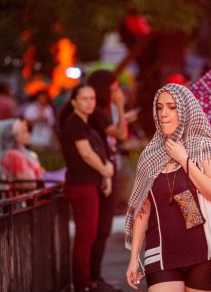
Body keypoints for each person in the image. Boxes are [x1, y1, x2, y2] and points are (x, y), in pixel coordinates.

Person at [125, 83, 211, 291]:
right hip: (161, 253)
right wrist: (134, 257)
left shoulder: (204, 147)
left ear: (185, 110)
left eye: (172, 107)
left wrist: (184, 159)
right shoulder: (150, 155)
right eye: (159, 107)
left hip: (203, 252)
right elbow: (143, 209)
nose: (164, 113)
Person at [58, 84, 114, 292]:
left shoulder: (84, 123)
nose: (90, 102)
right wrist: (105, 171)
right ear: (74, 102)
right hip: (81, 186)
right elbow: (86, 154)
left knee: (89, 235)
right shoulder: (75, 123)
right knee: (86, 237)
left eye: (92, 98)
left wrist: (103, 175)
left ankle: (87, 281)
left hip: (88, 184)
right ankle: (82, 284)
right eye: (84, 98)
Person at [87, 70, 128, 291]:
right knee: (99, 228)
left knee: (103, 227)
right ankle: (92, 278)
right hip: (101, 176)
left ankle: (95, 276)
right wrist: (121, 107)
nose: (118, 92)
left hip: (108, 171)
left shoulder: (102, 111)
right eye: (114, 89)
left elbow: (119, 133)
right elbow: (121, 134)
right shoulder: (97, 112)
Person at [0, 119, 41, 183]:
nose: (28, 134)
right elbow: (28, 184)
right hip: (19, 192)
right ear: (12, 137)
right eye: (24, 132)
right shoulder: (13, 155)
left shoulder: (2, 154)